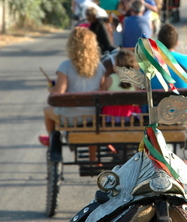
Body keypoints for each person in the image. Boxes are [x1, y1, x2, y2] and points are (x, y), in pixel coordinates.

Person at [39, 28, 106, 161]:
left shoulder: (65, 66)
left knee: (47, 111)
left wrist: (51, 89)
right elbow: (102, 92)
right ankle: (93, 159)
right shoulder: (100, 68)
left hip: (70, 118)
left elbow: (58, 94)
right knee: (92, 124)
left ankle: (53, 140)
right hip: (94, 116)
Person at [151, 23, 187, 89]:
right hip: (184, 99)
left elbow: (139, 91)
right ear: (177, 43)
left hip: (157, 99)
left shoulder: (147, 64)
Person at [101, 49, 141, 121]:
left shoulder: (109, 80)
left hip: (111, 118)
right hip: (130, 118)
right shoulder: (136, 81)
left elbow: (102, 98)